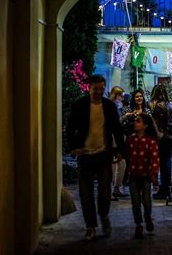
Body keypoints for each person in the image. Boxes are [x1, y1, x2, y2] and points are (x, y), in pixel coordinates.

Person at [66, 74, 125, 241]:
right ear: (89, 88)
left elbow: (116, 128)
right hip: (85, 155)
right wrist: (74, 148)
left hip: (103, 154)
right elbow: (70, 127)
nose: (98, 92)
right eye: (95, 89)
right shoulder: (80, 105)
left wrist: (119, 150)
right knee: (86, 193)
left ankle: (104, 216)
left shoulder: (109, 106)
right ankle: (90, 226)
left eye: (101, 88)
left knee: (105, 191)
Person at [125, 113, 160, 239]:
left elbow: (155, 159)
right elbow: (127, 156)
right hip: (133, 175)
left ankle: (147, 217)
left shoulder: (150, 141)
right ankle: (138, 224)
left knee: (146, 200)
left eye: (138, 121)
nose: (135, 123)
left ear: (145, 125)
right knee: (135, 201)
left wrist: (154, 173)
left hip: (145, 175)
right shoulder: (131, 139)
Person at [149, 84, 172, 199]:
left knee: (163, 163)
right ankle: (167, 187)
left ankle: (163, 190)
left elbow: (157, 124)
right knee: (167, 162)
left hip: (161, 136)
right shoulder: (171, 105)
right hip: (169, 136)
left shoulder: (158, 107)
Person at [109, 86, 127, 199]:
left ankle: (115, 188)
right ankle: (113, 189)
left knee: (117, 164)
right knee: (117, 163)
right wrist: (125, 117)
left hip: (117, 138)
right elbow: (115, 123)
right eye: (121, 96)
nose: (122, 98)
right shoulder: (113, 106)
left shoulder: (116, 106)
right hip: (113, 138)